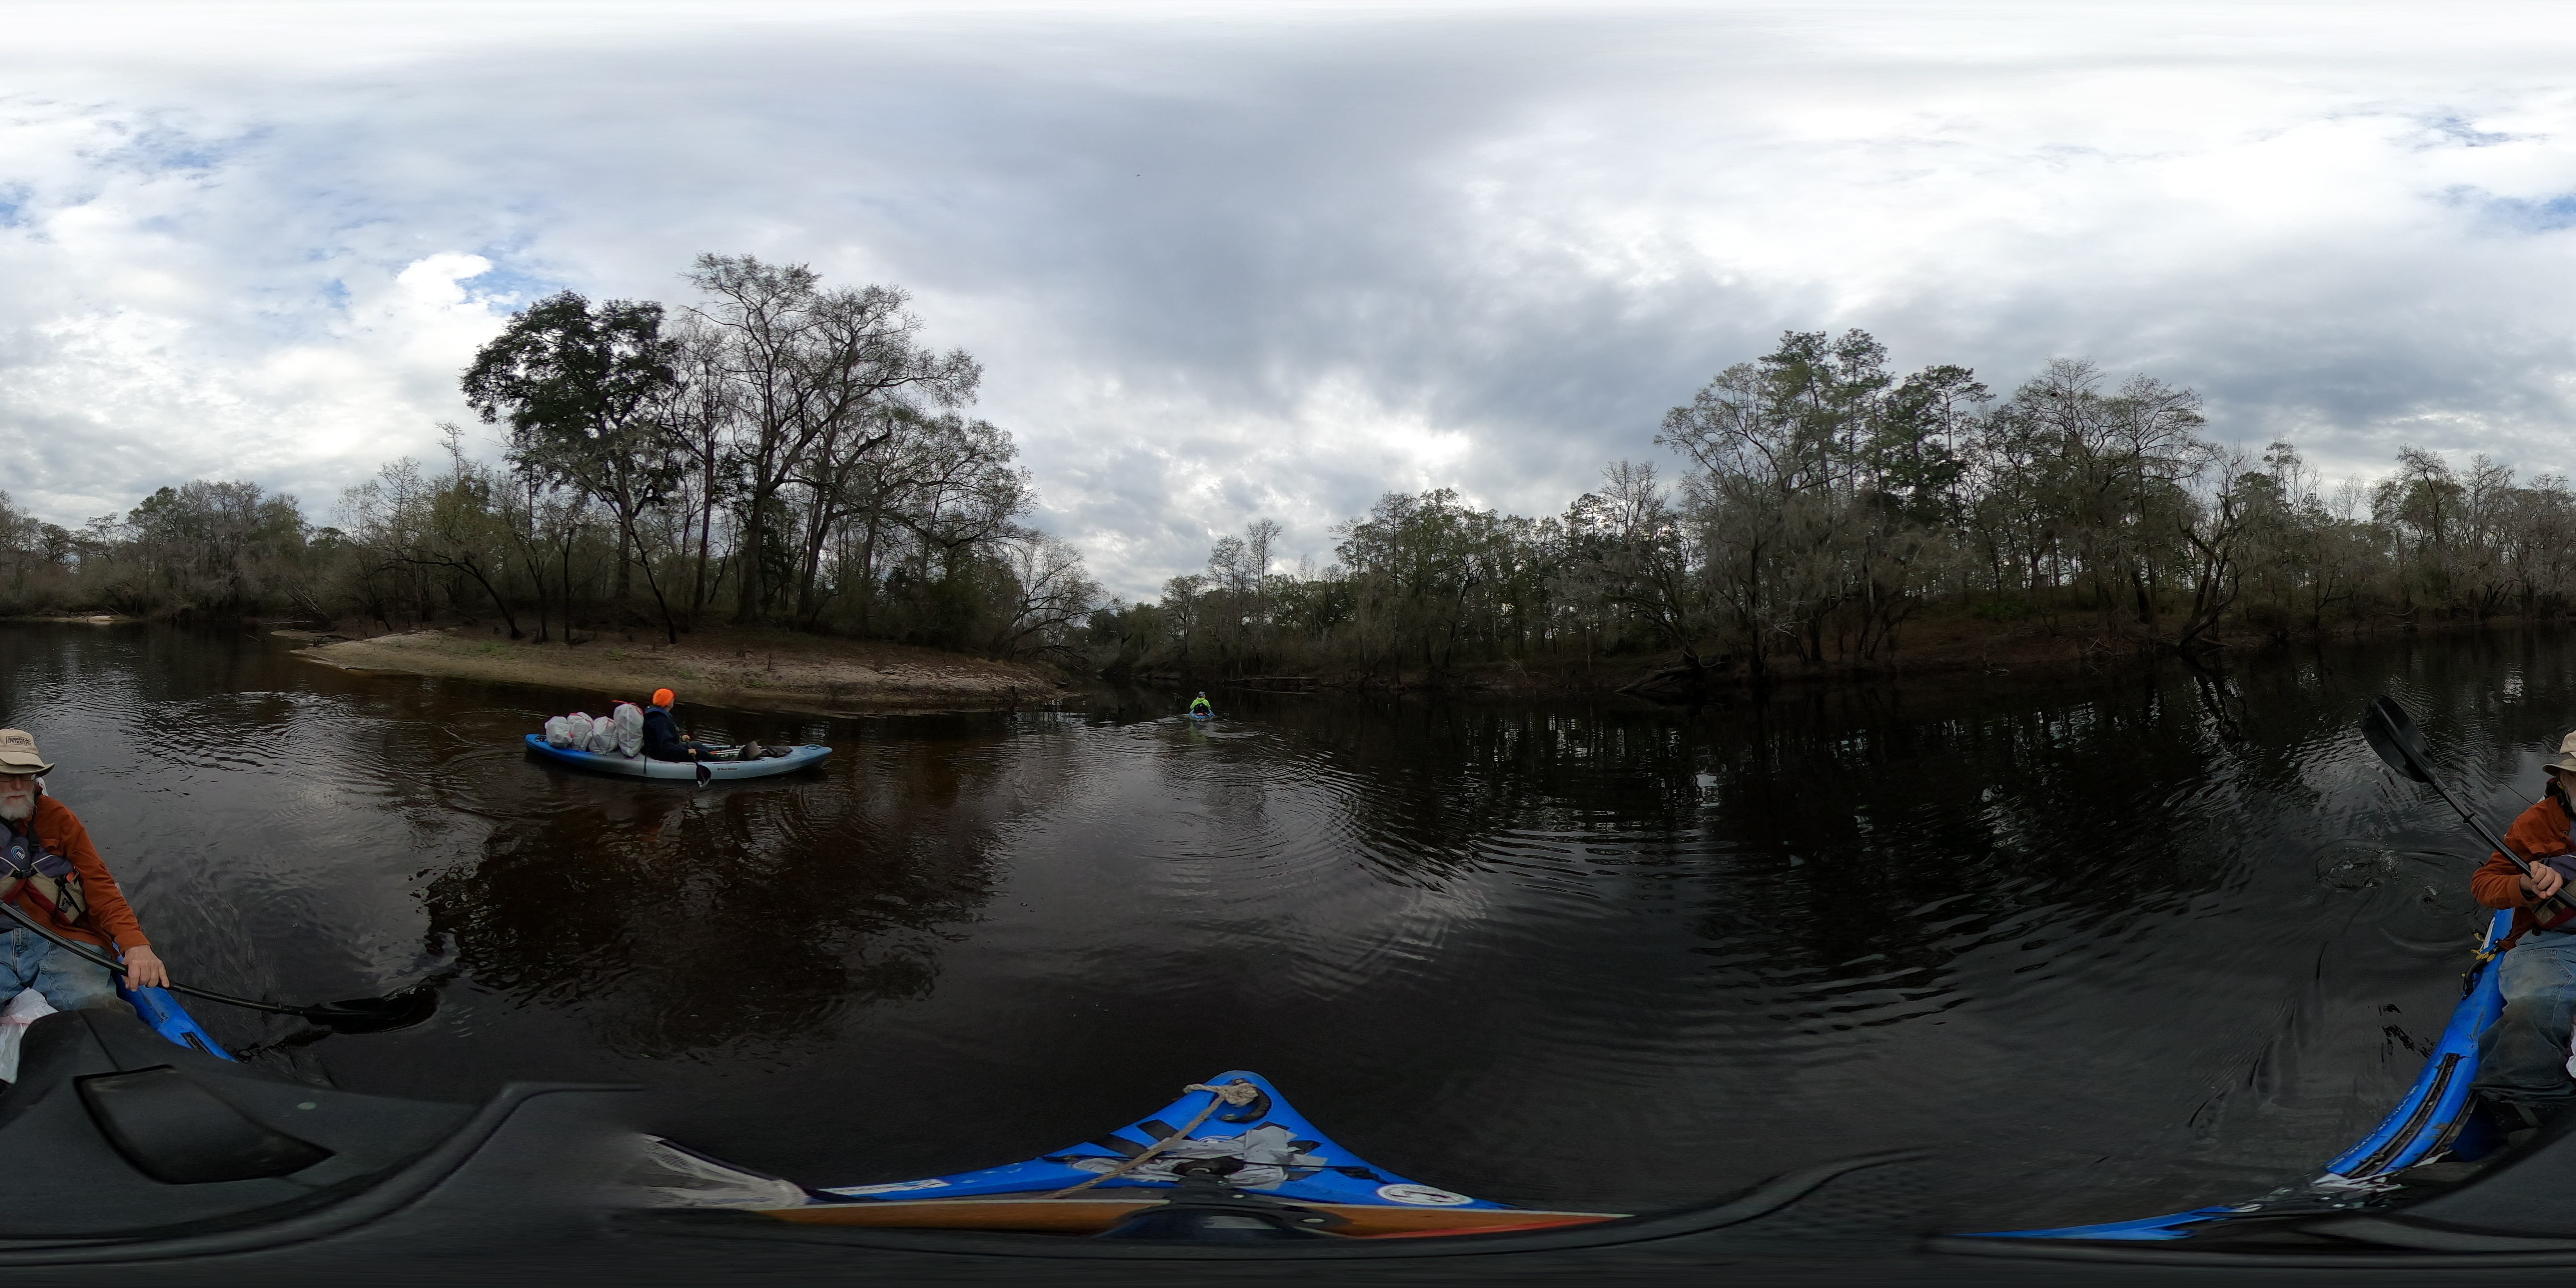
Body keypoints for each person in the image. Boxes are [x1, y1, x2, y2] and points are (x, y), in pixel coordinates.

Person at [0, 729, 166, 1013]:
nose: (18, 785)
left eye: (26, 775)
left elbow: (99, 884)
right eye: (6, 775)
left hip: (62, 940)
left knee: (99, 1010)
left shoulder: (58, 818)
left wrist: (136, 945)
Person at [2470, 730, 2576, 1123]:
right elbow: (2483, 884)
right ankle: (2524, 1108)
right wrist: (2525, 885)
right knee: (2536, 1006)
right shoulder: (2536, 822)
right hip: (2553, 941)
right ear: (2565, 779)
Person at [641, 690, 759, 763]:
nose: (674, 700)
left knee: (697, 744)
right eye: (673, 699)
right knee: (701, 753)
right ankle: (729, 762)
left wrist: (681, 735)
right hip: (663, 754)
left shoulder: (660, 714)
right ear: (668, 703)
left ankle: (725, 753)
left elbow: (668, 734)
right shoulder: (660, 721)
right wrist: (687, 752)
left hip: (668, 748)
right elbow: (666, 747)